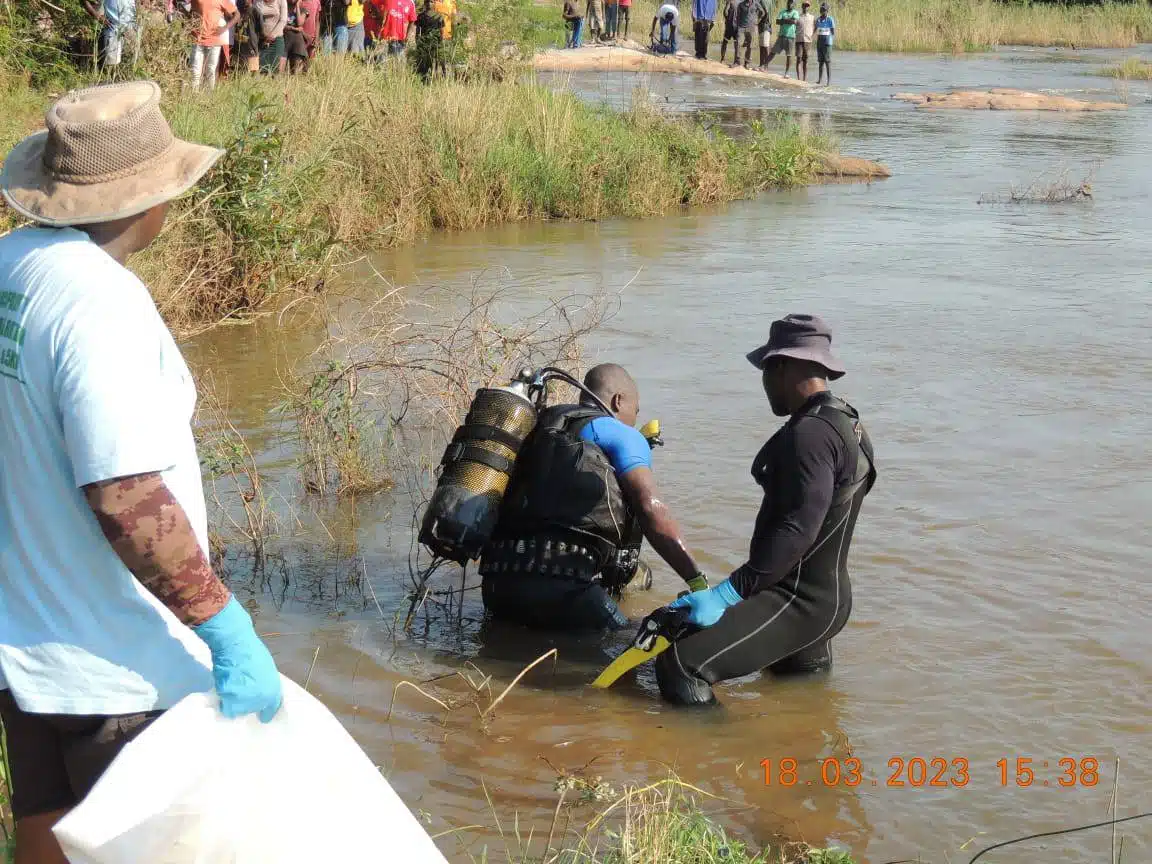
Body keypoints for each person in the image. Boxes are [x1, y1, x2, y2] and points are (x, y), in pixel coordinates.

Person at [0, 80, 284, 864]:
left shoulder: (9, 270)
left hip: (29, 658)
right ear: (149, 201)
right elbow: (125, 496)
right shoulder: (99, 301)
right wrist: (224, 628)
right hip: (124, 677)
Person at [654, 315, 876, 705]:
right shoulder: (848, 423)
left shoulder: (809, 435)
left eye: (766, 370)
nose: (763, 383)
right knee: (801, 707)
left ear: (782, 366)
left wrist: (726, 595)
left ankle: (715, 762)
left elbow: (798, 529)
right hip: (826, 597)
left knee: (679, 663)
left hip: (798, 601)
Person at [479, 364, 710, 633]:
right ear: (618, 400)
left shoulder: (538, 426)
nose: (634, 420)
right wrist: (697, 583)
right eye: (635, 411)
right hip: (564, 588)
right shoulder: (621, 434)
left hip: (496, 586)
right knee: (634, 645)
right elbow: (650, 508)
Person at [190, 0, 239, 89]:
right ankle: (194, 97)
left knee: (211, 71)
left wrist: (224, 28)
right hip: (197, 39)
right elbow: (192, 11)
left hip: (214, 41)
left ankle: (209, 97)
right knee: (195, 71)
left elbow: (237, 15)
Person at [82, 0, 142, 70]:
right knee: (110, 67)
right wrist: (97, 15)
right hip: (113, 29)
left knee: (130, 65)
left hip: (131, 29)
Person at [762, 0, 796, 76]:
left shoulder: (795, 12)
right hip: (781, 36)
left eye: (791, 3)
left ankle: (786, 73)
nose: (789, 4)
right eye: (788, 2)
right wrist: (788, 20)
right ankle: (764, 67)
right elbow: (777, 21)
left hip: (790, 37)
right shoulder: (782, 11)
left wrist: (783, 21)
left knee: (789, 55)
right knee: (773, 52)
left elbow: (794, 22)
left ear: (794, 4)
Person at [412, 0, 444, 77]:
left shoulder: (439, 16)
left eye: (432, 1)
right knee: (423, 62)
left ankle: (436, 77)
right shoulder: (420, 16)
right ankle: (423, 77)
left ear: (434, 3)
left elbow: (441, 31)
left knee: (436, 62)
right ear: (425, 3)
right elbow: (417, 31)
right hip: (424, 43)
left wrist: (440, 44)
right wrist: (418, 42)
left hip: (434, 43)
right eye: (427, 2)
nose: (429, 4)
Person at [257, 0, 289, 72]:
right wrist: (262, 35)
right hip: (261, 41)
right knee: (261, 70)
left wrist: (272, 35)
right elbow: (255, 19)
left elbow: (283, 20)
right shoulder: (257, 1)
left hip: (276, 41)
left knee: (274, 70)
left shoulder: (281, 1)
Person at [284, 0, 311, 71]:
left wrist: (297, 6)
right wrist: (292, 28)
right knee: (283, 69)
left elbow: (300, 23)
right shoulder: (283, 7)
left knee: (296, 70)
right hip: (285, 40)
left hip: (297, 43)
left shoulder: (303, 10)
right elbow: (281, 24)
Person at [815, 2, 834, 84]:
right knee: (820, 62)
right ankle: (819, 80)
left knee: (827, 62)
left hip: (827, 43)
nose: (823, 11)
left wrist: (827, 36)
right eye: (822, 10)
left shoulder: (830, 19)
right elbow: (816, 29)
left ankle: (828, 82)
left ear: (827, 11)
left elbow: (832, 31)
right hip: (819, 42)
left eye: (824, 10)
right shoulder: (818, 19)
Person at [795, 0, 814, 81]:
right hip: (799, 40)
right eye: (804, 5)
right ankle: (799, 79)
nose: (805, 7)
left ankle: (804, 79)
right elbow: (794, 27)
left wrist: (812, 35)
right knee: (798, 59)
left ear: (809, 7)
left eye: (807, 5)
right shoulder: (798, 16)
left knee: (805, 60)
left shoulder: (812, 17)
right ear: (802, 6)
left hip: (808, 41)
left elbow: (815, 27)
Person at [731, 0, 754, 68]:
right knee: (738, 43)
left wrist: (756, 22)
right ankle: (737, 62)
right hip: (741, 27)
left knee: (749, 46)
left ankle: (746, 63)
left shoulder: (756, 4)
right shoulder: (741, 4)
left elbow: (762, 12)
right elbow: (737, 16)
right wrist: (738, 26)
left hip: (751, 28)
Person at [756, 0, 771, 66]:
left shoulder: (763, 1)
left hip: (765, 26)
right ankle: (761, 65)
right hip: (763, 26)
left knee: (765, 46)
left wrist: (758, 22)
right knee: (762, 46)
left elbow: (766, 12)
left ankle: (766, 66)